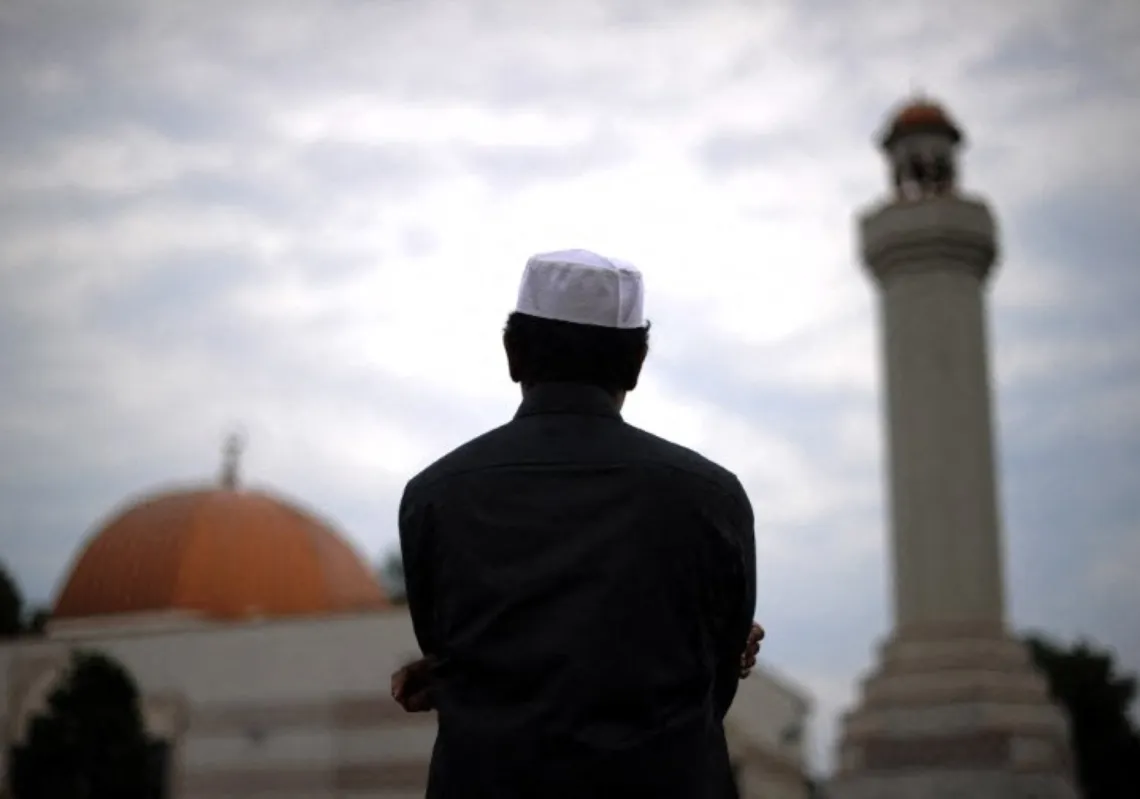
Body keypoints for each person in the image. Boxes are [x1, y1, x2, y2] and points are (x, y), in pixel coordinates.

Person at [394, 249, 760, 798]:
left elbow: (448, 650)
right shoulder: (711, 496)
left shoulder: (435, 496)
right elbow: (718, 679)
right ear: (635, 367)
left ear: (512, 355)